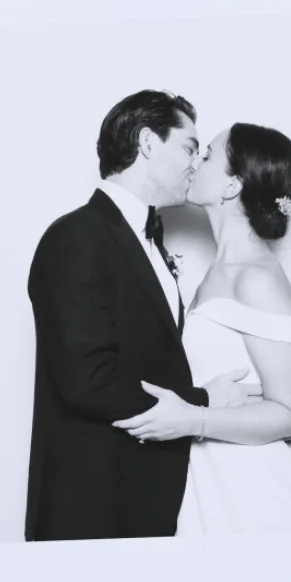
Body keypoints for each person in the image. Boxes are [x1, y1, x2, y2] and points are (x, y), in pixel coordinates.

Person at [24, 91, 257, 541]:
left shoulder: (149, 239)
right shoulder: (75, 236)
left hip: (152, 499)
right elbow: (87, 379)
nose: (195, 162)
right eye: (189, 147)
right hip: (92, 506)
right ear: (148, 142)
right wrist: (203, 402)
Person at [116, 123, 291, 533]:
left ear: (232, 186)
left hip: (250, 494)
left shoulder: (257, 277)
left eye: (208, 155)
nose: (196, 161)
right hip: (203, 483)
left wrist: (193, 420)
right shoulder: (217, 272)